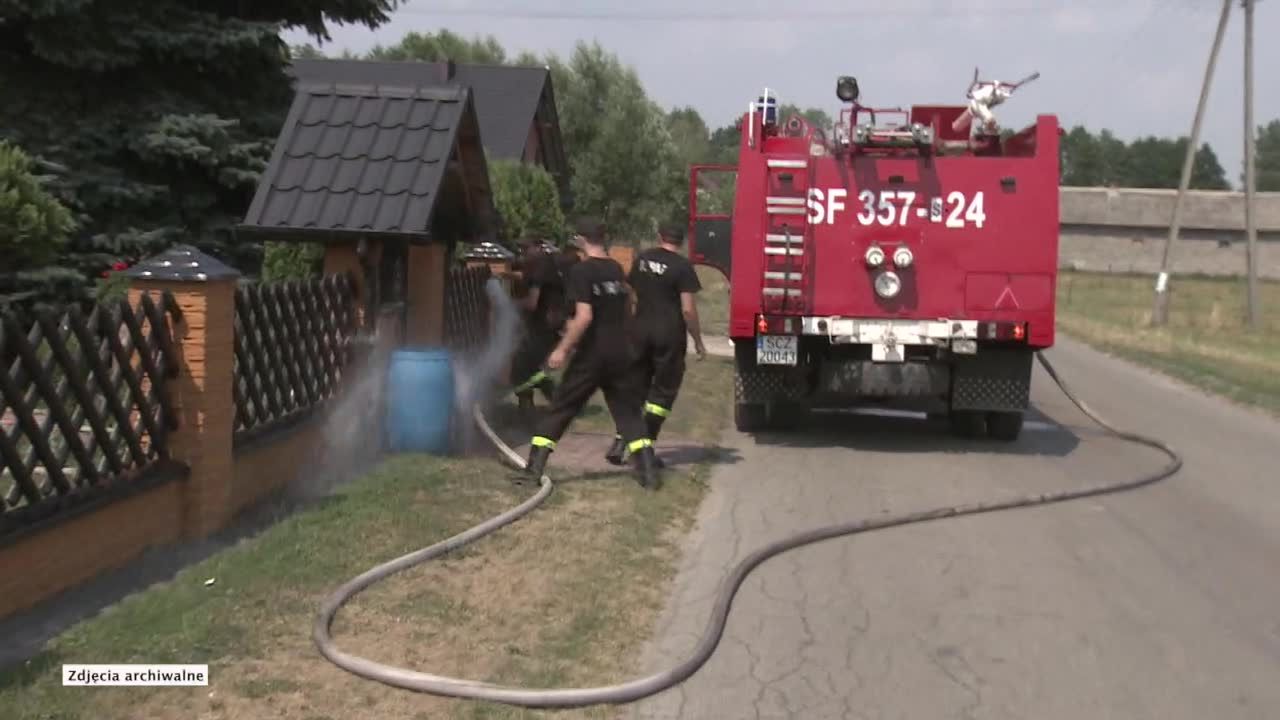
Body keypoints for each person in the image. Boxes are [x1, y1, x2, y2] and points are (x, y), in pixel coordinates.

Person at [515, 218, 661, 490]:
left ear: (581, 239)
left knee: (562, 407)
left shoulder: (582, 272)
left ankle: (533, 471)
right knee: (628, 412)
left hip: (593, 354)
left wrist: (562, 349)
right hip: (621, 352)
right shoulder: (615, 268)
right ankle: (649, 473)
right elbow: (629, 304)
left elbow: (584, 317)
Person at [605, 223, 706, 468]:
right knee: (662, 393)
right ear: (681, 241)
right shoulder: (683, 267)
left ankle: (620, 441)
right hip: (668, 335)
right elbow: (688, 309)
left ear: (660, 236)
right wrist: (698, 341)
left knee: (635, 388)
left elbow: (629, 292)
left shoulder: (643, 259)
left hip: (640, 331)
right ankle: (643, 450)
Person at [508, 238, 562, 415]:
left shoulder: (539, 268)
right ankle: (551, 403)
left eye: (526, 248)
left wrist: (510, 303)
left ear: (538, 248)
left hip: (542, 326)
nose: (522, 252)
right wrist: (510, 276)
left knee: (521, 369)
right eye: (521, 249)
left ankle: (538, 406)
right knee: (530, 368)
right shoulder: (548, 264)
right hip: (550, 325)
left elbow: (532, 303)